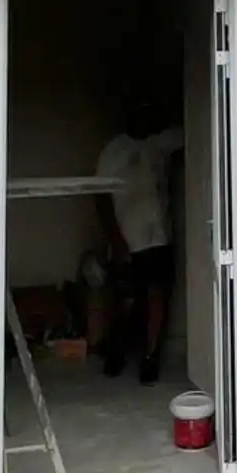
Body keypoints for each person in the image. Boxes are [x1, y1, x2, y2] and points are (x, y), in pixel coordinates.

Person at [95, 99, 184, 385]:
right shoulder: (115, 150)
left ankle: (150, 358)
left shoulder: (159, 144)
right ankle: (116, 351)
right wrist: (116, 241)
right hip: (128, 240)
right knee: (126, 301)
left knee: (158, 296)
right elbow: (100, 197)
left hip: (158, 236)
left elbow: (194, 130)